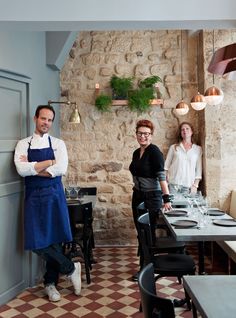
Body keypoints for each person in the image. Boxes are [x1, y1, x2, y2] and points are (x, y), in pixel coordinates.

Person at [14, 105, 81, 302]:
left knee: (55, 240)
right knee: (36, 243)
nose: (46, 123)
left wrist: (35, 167)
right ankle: (71, 268)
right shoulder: (23, 144)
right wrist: (48, 162)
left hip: (53, 195)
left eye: (50, 120)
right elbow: (21, 169)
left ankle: (50, 284)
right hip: (33, 197)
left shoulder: (58, 143)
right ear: (35, 118)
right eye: (43, 118)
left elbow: (61, 168)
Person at [129, 119, 172, 281]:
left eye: (146, 134)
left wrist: (166, 198)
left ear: (151, 136)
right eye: (140, 133)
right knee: (140, 232)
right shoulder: (136, 153)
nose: (143, 136)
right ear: (136, 135)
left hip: (152, 197)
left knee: (147, 233)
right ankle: (147, 264)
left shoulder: (155, 152)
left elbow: (161, 176)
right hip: (137, 195)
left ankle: (146, 267)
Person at [164, 122, 202, 195]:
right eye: (182, 130)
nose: (185, 131)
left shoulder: (197, 149)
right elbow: (166, 167)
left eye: (187, 129)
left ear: (192, 132)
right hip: (173, 184)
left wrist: (195, 185)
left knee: (186, 206)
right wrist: (165, 183)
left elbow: (199, 169)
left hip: (188, 186)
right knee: (172, 206)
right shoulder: (174, 147)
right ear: (180, 133)